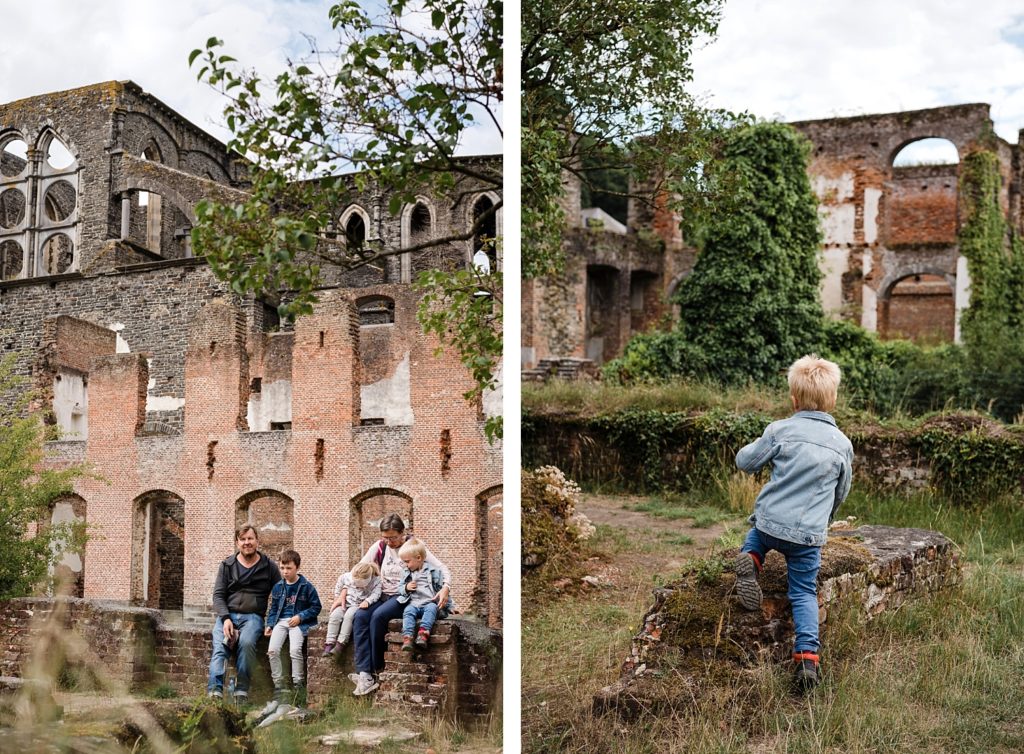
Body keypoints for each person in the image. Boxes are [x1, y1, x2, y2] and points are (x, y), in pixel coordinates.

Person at [732, 355, 853, 692]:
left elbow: (746, 461)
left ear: (794, 400)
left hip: (771, 523)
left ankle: (752, 559)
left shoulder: (780, 429)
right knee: (802, 593)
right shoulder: (842, 444)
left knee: (757, 534)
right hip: (807, 537)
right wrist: (824, 521)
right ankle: (806, 661)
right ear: (833, 400)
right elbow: (840, 491)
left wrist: (755, 444)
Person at [350, 512, 452, 696]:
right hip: (380, 593)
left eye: (393, 538)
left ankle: (376, 668)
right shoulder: (380, 547)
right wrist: (344, 591)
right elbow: (359, 568)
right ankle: (364, 673)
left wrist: (446, 588)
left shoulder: (413, 547)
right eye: (385, 537)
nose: (389, 542)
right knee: (360, 616)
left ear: (402, 533)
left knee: (378, 617)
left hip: (403, 597)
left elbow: (442, 568)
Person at [207, 525, 281, 701]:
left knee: (247, 644)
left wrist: (271, 622)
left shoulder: (269, 567)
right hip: (228, 616)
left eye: (250, 538)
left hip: (253, 618)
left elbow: (280, 596)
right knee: (220, 647)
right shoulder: (227, 565)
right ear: (237, 542)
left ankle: (241, 691)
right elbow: (218, 596)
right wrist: (225, 619)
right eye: (243, 539)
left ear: (257, 541)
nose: (247, 542)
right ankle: (215, 692)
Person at [264, 549, 322, 702]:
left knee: (295, 650)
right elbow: (274, 608)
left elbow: (316, 607)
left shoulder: (306, 586)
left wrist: (300, 617)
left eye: (289, 568)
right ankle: (279, 686)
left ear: (297, 567)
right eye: (282, 568)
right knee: (272, 651)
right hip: (281, 621)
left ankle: (298, 685)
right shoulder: (278, 587)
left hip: (298, 623)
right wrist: (270, 624)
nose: (285, 572)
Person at [396, 539, 452, 651]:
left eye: (407, 561)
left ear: (419, 558)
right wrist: (406, 588)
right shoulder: (407, 573)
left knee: (432, 608)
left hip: (428, 603)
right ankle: (408, 637)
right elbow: (400, 588)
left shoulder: (433, 572)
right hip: (414, 603)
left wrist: (451, 607)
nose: (405, 565)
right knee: (408, 611)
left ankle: (423, 633)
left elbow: (441, 590)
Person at [323, 562, 381, 656]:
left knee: (349, 617)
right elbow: (339, 585)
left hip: (357, 605)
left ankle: (341, 643)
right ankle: (329, 643)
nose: (357, 586)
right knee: (334, 616)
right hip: (345, 602)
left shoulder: (376, 581)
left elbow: (376, 594)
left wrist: (368, 601)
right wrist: (337, 598)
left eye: (360, 585)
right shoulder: (347, 576)